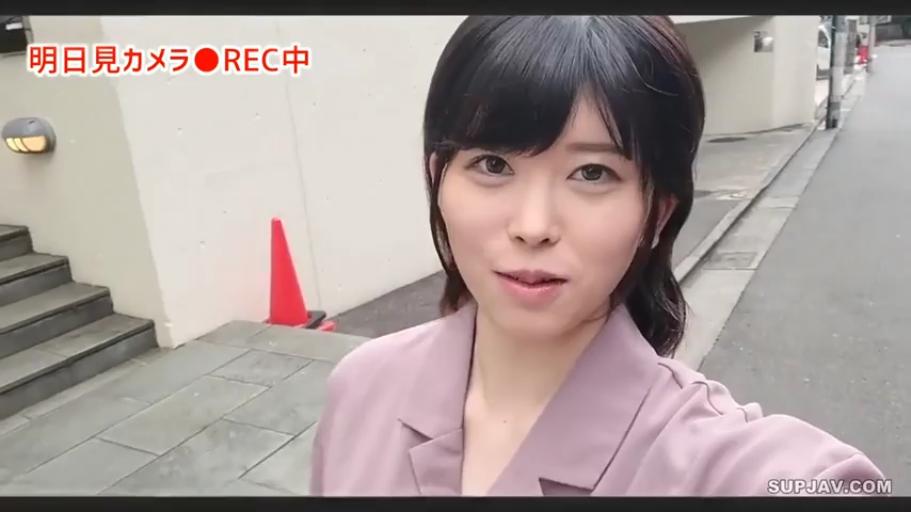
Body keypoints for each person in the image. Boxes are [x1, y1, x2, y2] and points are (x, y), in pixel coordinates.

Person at [309, 15, 887, 496]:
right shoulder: (361, 388)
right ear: (437, 178)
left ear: (656, 214)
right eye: (493, 164)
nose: (533, 226)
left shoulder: (710, 463)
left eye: (592, 173)